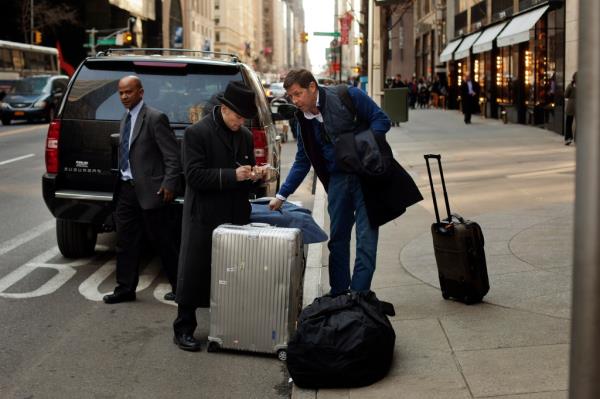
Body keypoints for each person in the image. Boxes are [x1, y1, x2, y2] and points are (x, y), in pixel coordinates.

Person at [269, 69, 421, 296]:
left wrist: (359, 146)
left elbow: (382, 120)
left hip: (365, 178)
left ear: (312, 87)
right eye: (291, 96)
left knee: (366, 240)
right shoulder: (303, 117)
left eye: (298, 94)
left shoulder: (346, 95)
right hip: (338, 181)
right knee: (338, 239)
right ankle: (339, 294)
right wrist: (281, 195)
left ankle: (359, 296)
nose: (295, 100)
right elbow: (303, 159)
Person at [173, 81, 266, 351]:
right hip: (203, 215)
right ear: (224, 109)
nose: (240, 122)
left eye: (244, 118)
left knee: (231, 275)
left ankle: (228, 329)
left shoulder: (245, 135)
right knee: (194, 273)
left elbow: (245, 175)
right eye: (237, 116)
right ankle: (183, 329)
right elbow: (193, 176)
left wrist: (255, 175)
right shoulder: (196, 133)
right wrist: (232, 175)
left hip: (235, 214)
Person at [103, 76, 181, 304]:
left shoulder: (155, 118)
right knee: (125, 241)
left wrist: (168, 184)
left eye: (129, 92)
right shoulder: (125, 118)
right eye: (121, 93)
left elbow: (172, 156)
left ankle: (180, 288)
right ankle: (125, 289)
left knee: (163, 241)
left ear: (140, 92)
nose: (124, 96)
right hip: (127, 189)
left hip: (152, 191)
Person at [564, 72, 576, 145]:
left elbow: (565, 95)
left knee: (569, 123)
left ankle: (569, 138)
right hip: (576, 107)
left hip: (571, 106)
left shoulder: (570, 86)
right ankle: (574, 139)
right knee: (576, 124)